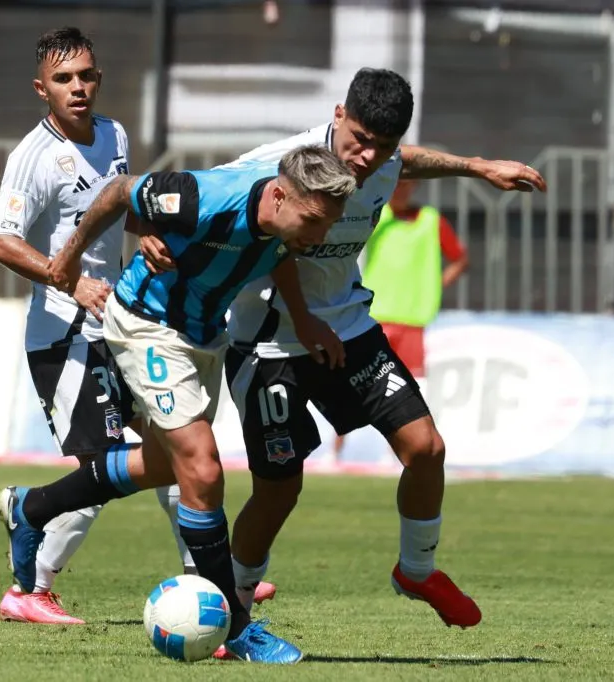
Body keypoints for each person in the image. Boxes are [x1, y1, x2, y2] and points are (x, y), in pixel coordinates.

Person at [139, 67, 545, 630]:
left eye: (383, 146)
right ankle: (230, 610)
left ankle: (417, 569)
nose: (365, 158)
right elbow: (208, 193)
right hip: (269, 341)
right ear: (337, 116)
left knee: (426, 448)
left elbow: (410, 161)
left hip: (348, 328)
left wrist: (478, 167)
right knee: (280, 490)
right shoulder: (278, 165)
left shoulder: (382, 161)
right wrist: (154, 228)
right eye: (358, 140)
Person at [0, 144, 357, 663]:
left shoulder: (289, 222)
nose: (320, 235)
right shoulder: (205, 198)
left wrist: (301, 317)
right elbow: (120, 192)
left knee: (169, 465)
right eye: (315, 220)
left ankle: (32, 508)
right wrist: (70, 257)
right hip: (146, 324)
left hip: (205, 336)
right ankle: (233, 629)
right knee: (203, 471)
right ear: (279, 195)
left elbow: (279, 256)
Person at [0, 27, 210, 625]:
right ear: (42, 89)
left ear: (99, 78)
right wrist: (72, 282)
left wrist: (148, 233)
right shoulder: (32, 158)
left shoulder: (114, 134)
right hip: (63, 336)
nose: (77, 87)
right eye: (63, 79)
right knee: (102, 467)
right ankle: (28, 587)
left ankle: (207, 575)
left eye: (85, 75)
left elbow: (114, 210)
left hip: (115, 323)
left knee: (173, 438)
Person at [331, 178, 469, 456]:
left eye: (407, 185)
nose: (401, 191)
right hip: (372, 316)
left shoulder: (430, 220)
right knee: (353, 383)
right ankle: (336, 452)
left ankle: (395, 453)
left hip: (411, 318)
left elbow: (459, 258)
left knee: (408, 391)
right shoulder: (376, 217)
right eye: (397, 185)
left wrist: (435, 285)